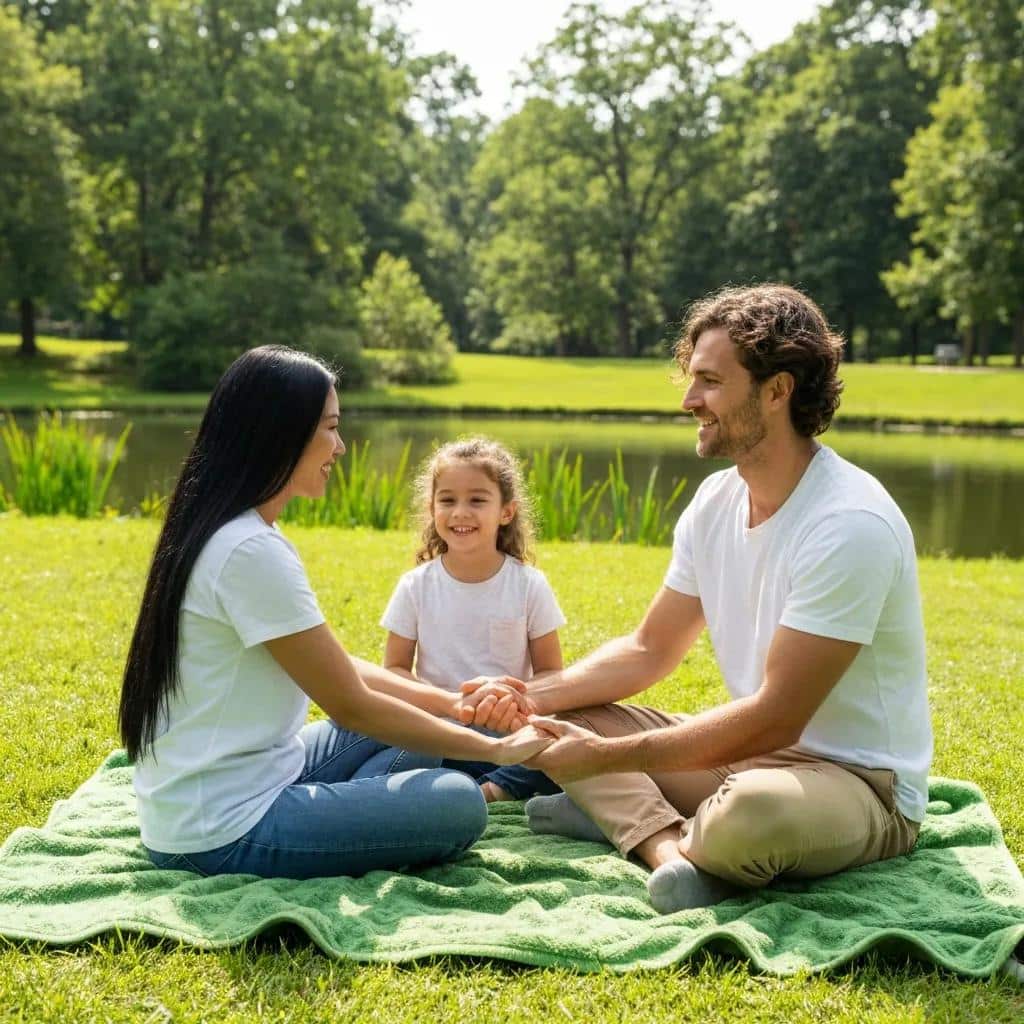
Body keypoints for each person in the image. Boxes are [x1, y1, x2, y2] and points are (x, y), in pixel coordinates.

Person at [460, 284, 934, 914]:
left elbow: (777, 717)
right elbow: (649, 648)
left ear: (777, 389)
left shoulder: (849, 522)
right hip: (747, 759)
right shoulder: (716, 502)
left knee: (749, 814)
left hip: (857, 783)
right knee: (561, 719)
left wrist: (608, 758)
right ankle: (665, 847)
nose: (689, 401)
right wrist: (528, 695)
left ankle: (628, 815)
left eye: (709, 381)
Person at [118, 346, 551, 880]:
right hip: (222, 827)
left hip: (252, 777)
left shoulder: (238, 531)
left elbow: (336, 667)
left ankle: (354, 809)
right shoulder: (249, 551)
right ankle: (357, 811)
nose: (340, 447)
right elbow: (352, 706)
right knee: (459, 802)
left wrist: (452, 706)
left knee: (422, 721)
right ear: (284, 432)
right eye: (330, 427)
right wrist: (498, 745)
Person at [381, 437, 565, 802]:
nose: (460, 512)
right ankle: (463, 787)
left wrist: (509, 702)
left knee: (562, 742)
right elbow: (394, 670)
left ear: (506, 512)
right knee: (387, 746)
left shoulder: (528, 585)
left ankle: (491, 790)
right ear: (432, 508)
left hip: (508, 732)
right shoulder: (416, 586)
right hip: (439, 731)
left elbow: (552, 674)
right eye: (447, 500)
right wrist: (445, 702)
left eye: (477, 500)